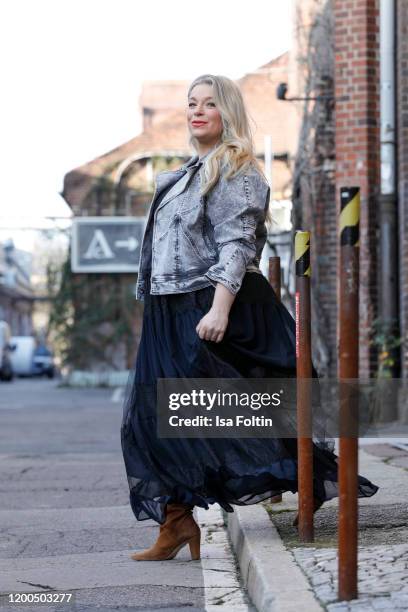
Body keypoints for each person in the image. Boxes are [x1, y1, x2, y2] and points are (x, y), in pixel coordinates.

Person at [120, 74, 379, 562]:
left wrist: (219, 308)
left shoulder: (237, 171)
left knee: (233, 416)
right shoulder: (183, 175)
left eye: (209, 104)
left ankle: (312, 477)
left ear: (228, 114)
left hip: (211, 304)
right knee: (152, 421)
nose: (197, 112)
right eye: (191, 104)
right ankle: (176, 524)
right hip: (168, 308)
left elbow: (237, 243)